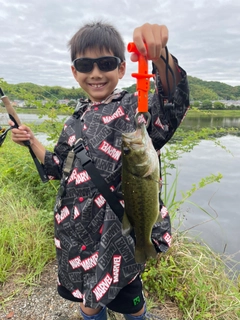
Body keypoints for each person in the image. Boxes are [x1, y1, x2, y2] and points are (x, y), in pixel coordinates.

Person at [10, 21, 189, 320]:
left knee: (131, 302)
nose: (95, 73)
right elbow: (57, 166)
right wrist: (32, 141)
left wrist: (159, 56)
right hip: (77, 236)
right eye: (85, 64)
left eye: (105, 63)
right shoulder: (73, 122)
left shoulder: (135, 108)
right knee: (89, 300)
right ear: (74, 71)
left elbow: (172, 104)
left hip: (118, 238)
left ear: (121, 69)